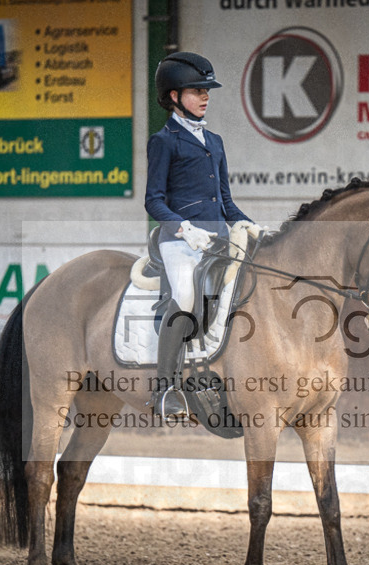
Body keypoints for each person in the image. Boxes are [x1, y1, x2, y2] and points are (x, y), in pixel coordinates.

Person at [144, 51, 255, 419]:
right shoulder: (165, 141)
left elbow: (225, 200)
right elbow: (153, 201)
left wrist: (248, 223)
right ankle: (165, 390)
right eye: (197, 90)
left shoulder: (216, 141)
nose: (206, 96)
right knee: (187, 296)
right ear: (174, 96)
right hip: (180, 242)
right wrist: (182, 227)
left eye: (207, 90)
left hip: (217, 239)